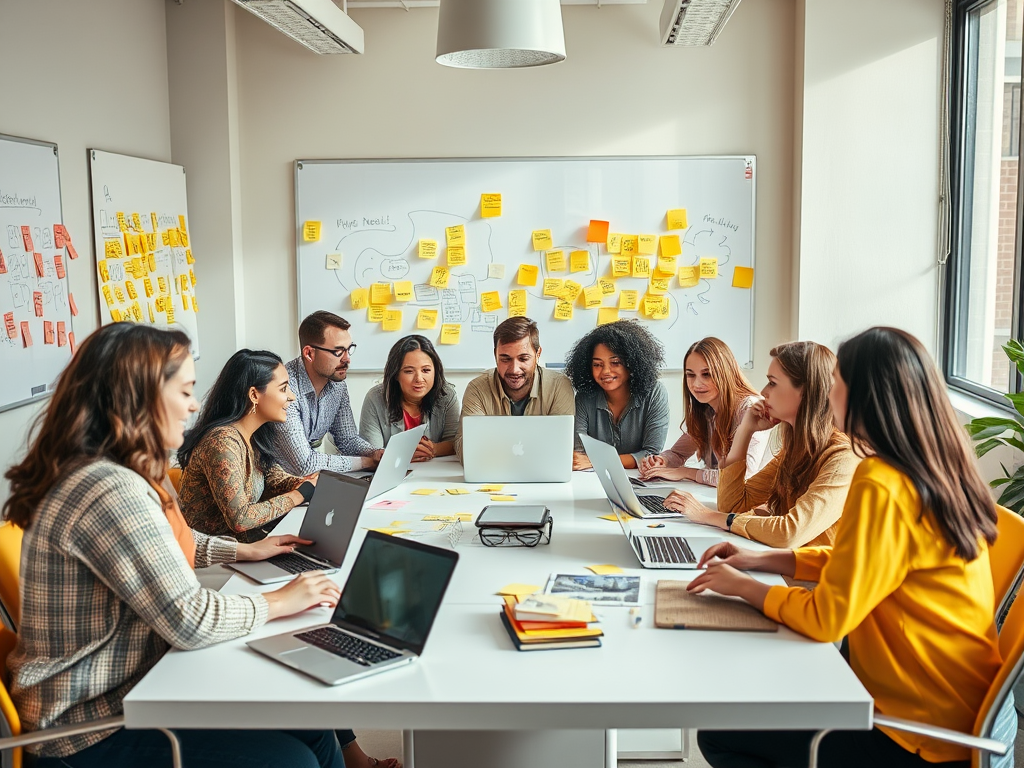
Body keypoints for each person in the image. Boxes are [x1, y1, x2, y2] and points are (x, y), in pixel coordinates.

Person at [2, 323, 347, 768]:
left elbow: (165, 542)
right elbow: (191, 620)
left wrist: (245, 551)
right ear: (139, 397)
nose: (195, 405)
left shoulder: (120, 469)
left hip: (143, 686)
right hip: (90, 726)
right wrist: (280, 600)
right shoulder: (108, 488)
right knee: (291, 760)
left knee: (312, 725)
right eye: (184, 391)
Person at [691, 327, 1002, 768]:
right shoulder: (933, 470)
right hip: (950, 714)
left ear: (862, 395)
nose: (828, 390)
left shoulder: (880, 480)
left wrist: (745, 587)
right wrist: (766, 559)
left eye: (837, 380)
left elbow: (826, 618)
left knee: (720, 734)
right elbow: (864, 562)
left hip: (911, 734)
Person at [661, 341, 858, 548]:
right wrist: (745, 430)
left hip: (814, 577)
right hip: (786, 565)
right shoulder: (794, 452)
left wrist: (708, 516)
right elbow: (732, 504)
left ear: (805, 392)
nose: (763, 392)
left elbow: (789, 533)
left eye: (772, 383)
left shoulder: (843, 459)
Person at [177, 349, 315, 542]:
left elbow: (275, 479)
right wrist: (300, 493)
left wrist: (310, 482)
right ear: (254, 395)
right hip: (213, 559)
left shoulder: (254, 436)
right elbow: (240, 519)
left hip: (244, 550)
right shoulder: (221, 441)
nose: (291, 397)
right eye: (283, 389)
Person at [266, 311, 383, 476]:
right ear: (309, 354)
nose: (347, 359)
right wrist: (365, 462)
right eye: (338, 352)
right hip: (275, 485)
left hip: (306, 483)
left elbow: (347, 440)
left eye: (349, 349)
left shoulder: (337, 384)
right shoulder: (285, 387)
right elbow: (304, 464)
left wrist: (375, 454)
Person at [638, 337, 767, 485]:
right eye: (690, 375)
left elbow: (741, 477)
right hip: (721, 498)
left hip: (756, 504)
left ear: (725, 373)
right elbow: (678, 453)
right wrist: (662, 461)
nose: (697, 384)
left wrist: (685, 472)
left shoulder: (751, 409)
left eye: (707, 374)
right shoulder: (706, 409)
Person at [454, 316, 575, 461]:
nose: (514, 369)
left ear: (538, 355)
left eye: (523, 359)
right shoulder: (477, 389)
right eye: (505, 359)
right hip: (492, 476)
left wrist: (491, 444)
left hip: (540, 477)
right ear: (495, 355)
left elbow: (561, 447)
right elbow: (466, 449)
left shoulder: (558, 386)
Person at [564, 320, 669, 470]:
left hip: (641, 481)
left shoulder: (655, 393)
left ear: (632, 363)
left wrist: (597, 461)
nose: (606, 371)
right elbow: (579, 457)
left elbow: (650, 456)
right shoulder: (584, 397)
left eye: (615, 363)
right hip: (593, 480)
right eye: (597, 364)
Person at [359, 335, 460, 461]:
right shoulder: (375, 398)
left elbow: (455, 442)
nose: (419, 379)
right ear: (396, 374)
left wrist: (433, 449)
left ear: (436, 371)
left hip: (433, 472)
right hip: (389, 473)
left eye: (426, 370)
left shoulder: (447, 396)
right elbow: (371, 451)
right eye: (409, 371)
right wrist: (403, 453)